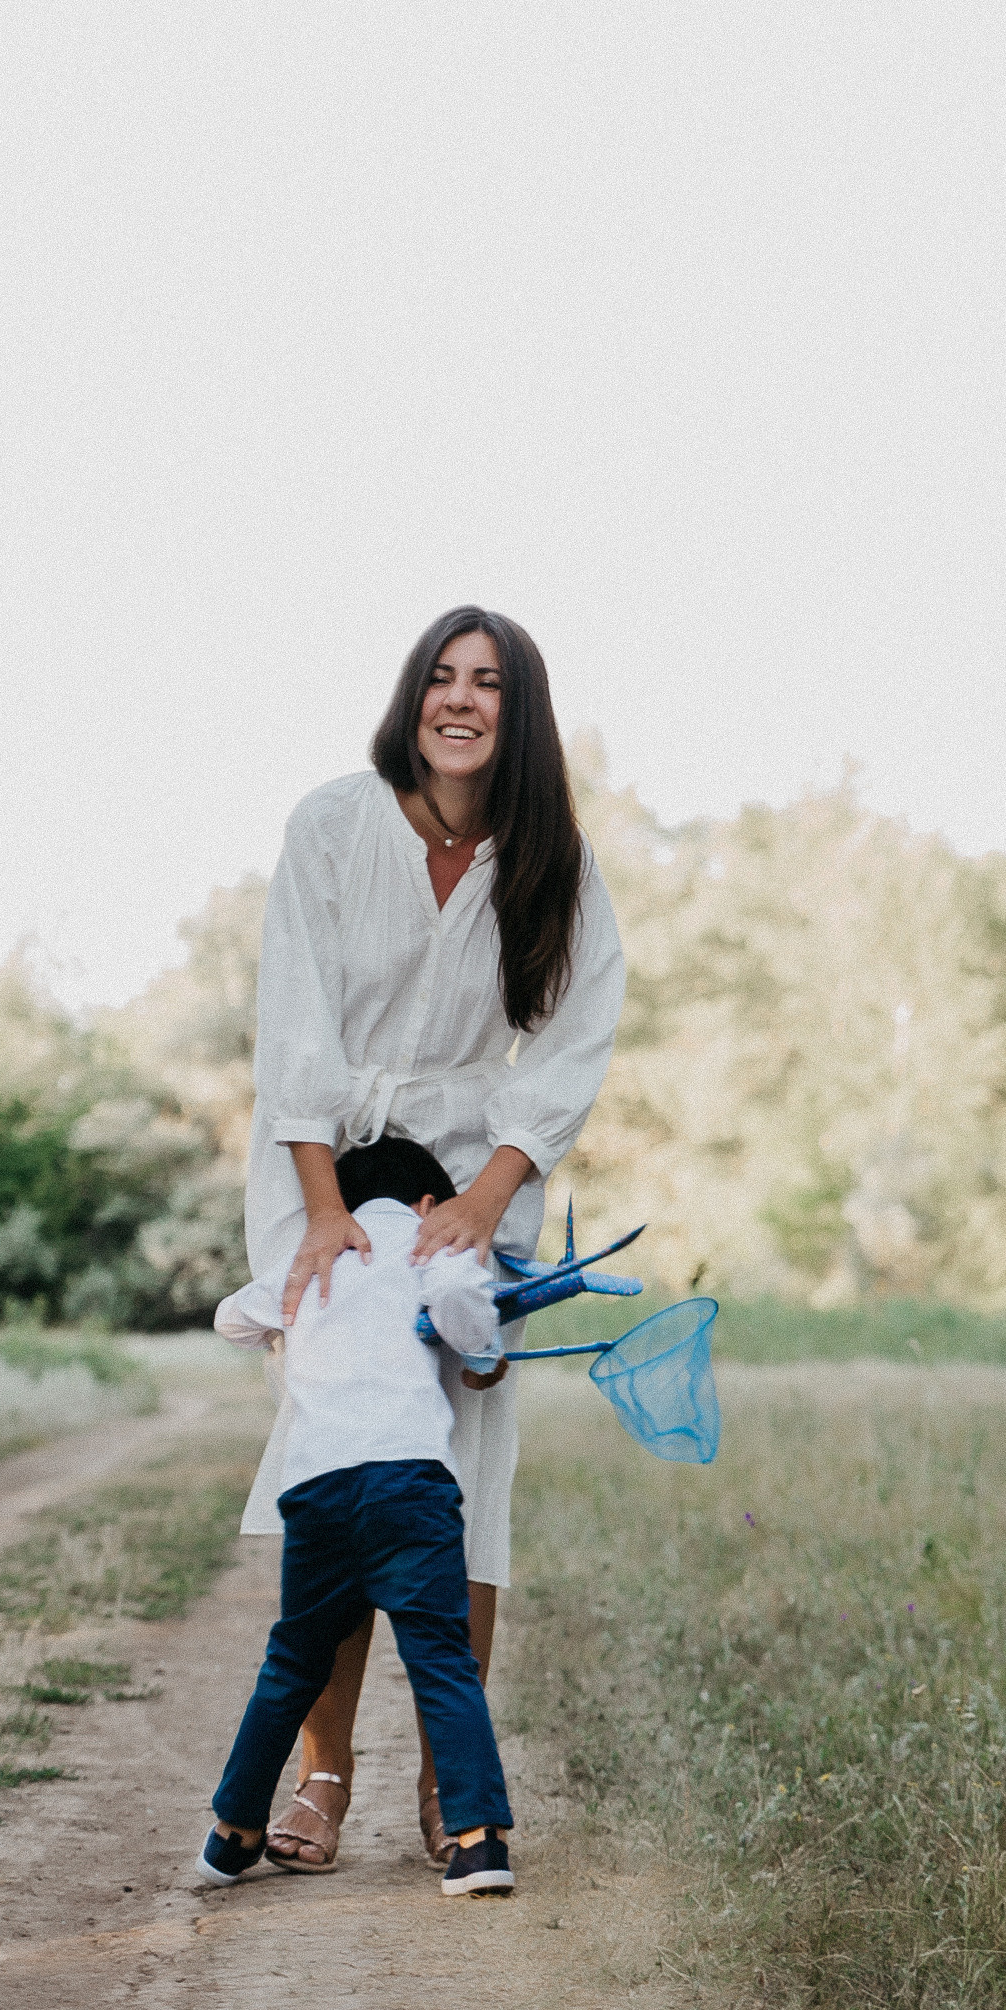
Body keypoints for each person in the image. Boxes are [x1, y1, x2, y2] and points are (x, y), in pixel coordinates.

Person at [242, 605, 626, 1872]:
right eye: (441, 677)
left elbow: (570, 1041)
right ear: (412, 694)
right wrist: (320, 1210)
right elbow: (294, 1023)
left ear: (521, 717)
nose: (460, 700)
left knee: (458, 1473)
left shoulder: (552, 862)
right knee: (343, 1468)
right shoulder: (332, 825)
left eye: (491, 685)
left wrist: (489, 1193)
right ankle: (325, 1773)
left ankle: (450, 1781)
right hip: (322, 1178)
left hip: (471, 1183)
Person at [197, 1139, 518, 1899]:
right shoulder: (428, 1243)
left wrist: (291, 1326)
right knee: (438, 1656)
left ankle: (232, 1831)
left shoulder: (311, 1257)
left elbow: (231, 1320)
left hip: (315, 1488)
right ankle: (477, 1840)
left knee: (293, 1660)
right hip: (406, 1481)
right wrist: (481, 1355)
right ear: (430, 1204)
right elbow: (463, 1299)